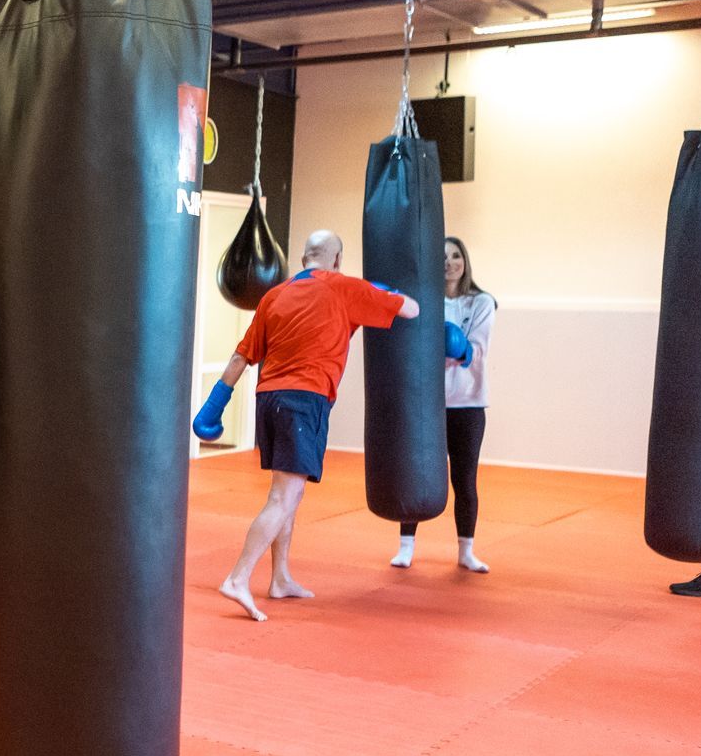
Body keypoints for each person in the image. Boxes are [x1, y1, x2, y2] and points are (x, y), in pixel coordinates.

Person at [193, 229, 419, 622]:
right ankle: (237, 577)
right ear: (336, 259)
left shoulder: (274, 296)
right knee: (284, 496)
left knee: (289, 495)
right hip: (305, 400)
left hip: (270, 399)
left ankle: (280, 579)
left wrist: (212, 409)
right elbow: (411, 310)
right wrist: (376, 288)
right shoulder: (344, 287)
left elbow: (239, 358)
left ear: (301, 260)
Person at [392, 235, 494, 572]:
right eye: (442, 257)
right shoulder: (425, 301)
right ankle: (406, 547)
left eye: (455, 256)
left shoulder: (481, 303)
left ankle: (466, 551)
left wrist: (458, 349)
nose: (449, 262)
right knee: (417, 473)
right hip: (428, 403)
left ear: (465, 262)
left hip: (467, 404)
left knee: (464, 479)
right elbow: (415, 349)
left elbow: (476, 352)